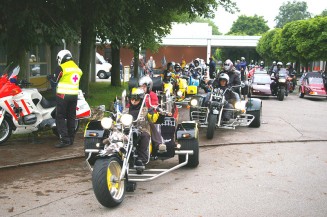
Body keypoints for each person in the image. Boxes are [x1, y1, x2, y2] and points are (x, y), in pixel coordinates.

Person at [49, 50, 83, 148]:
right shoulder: (77, 68)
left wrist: (50, 77)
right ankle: (71, 139)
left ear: (61, 58)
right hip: (74, 96)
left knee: (59, 117)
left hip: (63, 96)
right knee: (71, 117)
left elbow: (55, 79)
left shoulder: (62, 67)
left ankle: (64, 140)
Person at [138, 76, 167, 152]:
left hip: (150, 114)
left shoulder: (152, 95)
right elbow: (129, 104)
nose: (142, 88)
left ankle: (159, 143)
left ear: (149, 87)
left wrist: (151, 108)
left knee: (152, 122)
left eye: (144, 87)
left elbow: (154, 104)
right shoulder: (137, 94)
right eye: (140, 87)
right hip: (137, 114)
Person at [128, 87, 151, 167]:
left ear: (141, 100)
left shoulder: (145, 110)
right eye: (132, 99)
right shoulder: (126, 109)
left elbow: (152, 118)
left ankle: (141, 159)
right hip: (127, 130)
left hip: (142, 129)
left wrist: (154, 114)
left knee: (145, 136)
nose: (134, 101)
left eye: (136, 100)